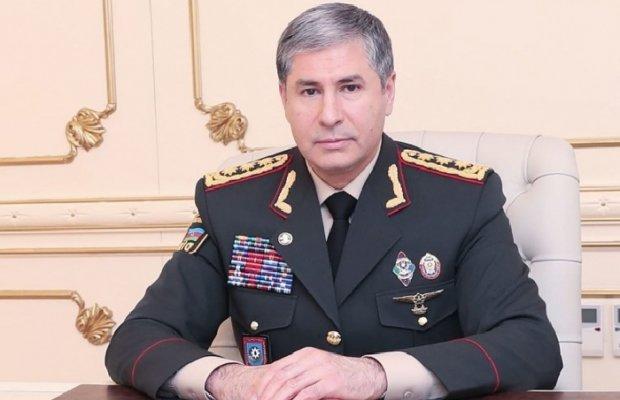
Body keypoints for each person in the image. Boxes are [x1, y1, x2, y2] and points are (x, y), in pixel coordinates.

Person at [105, 3, 563, 399]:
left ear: (387, 91)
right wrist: (229, 380)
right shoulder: (233, 203)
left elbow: (531, 346)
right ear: (284, 99)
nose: (329, 115)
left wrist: (375, 375)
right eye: (309, 91)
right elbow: (137, 340)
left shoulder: (460, 199)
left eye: (350, 87)